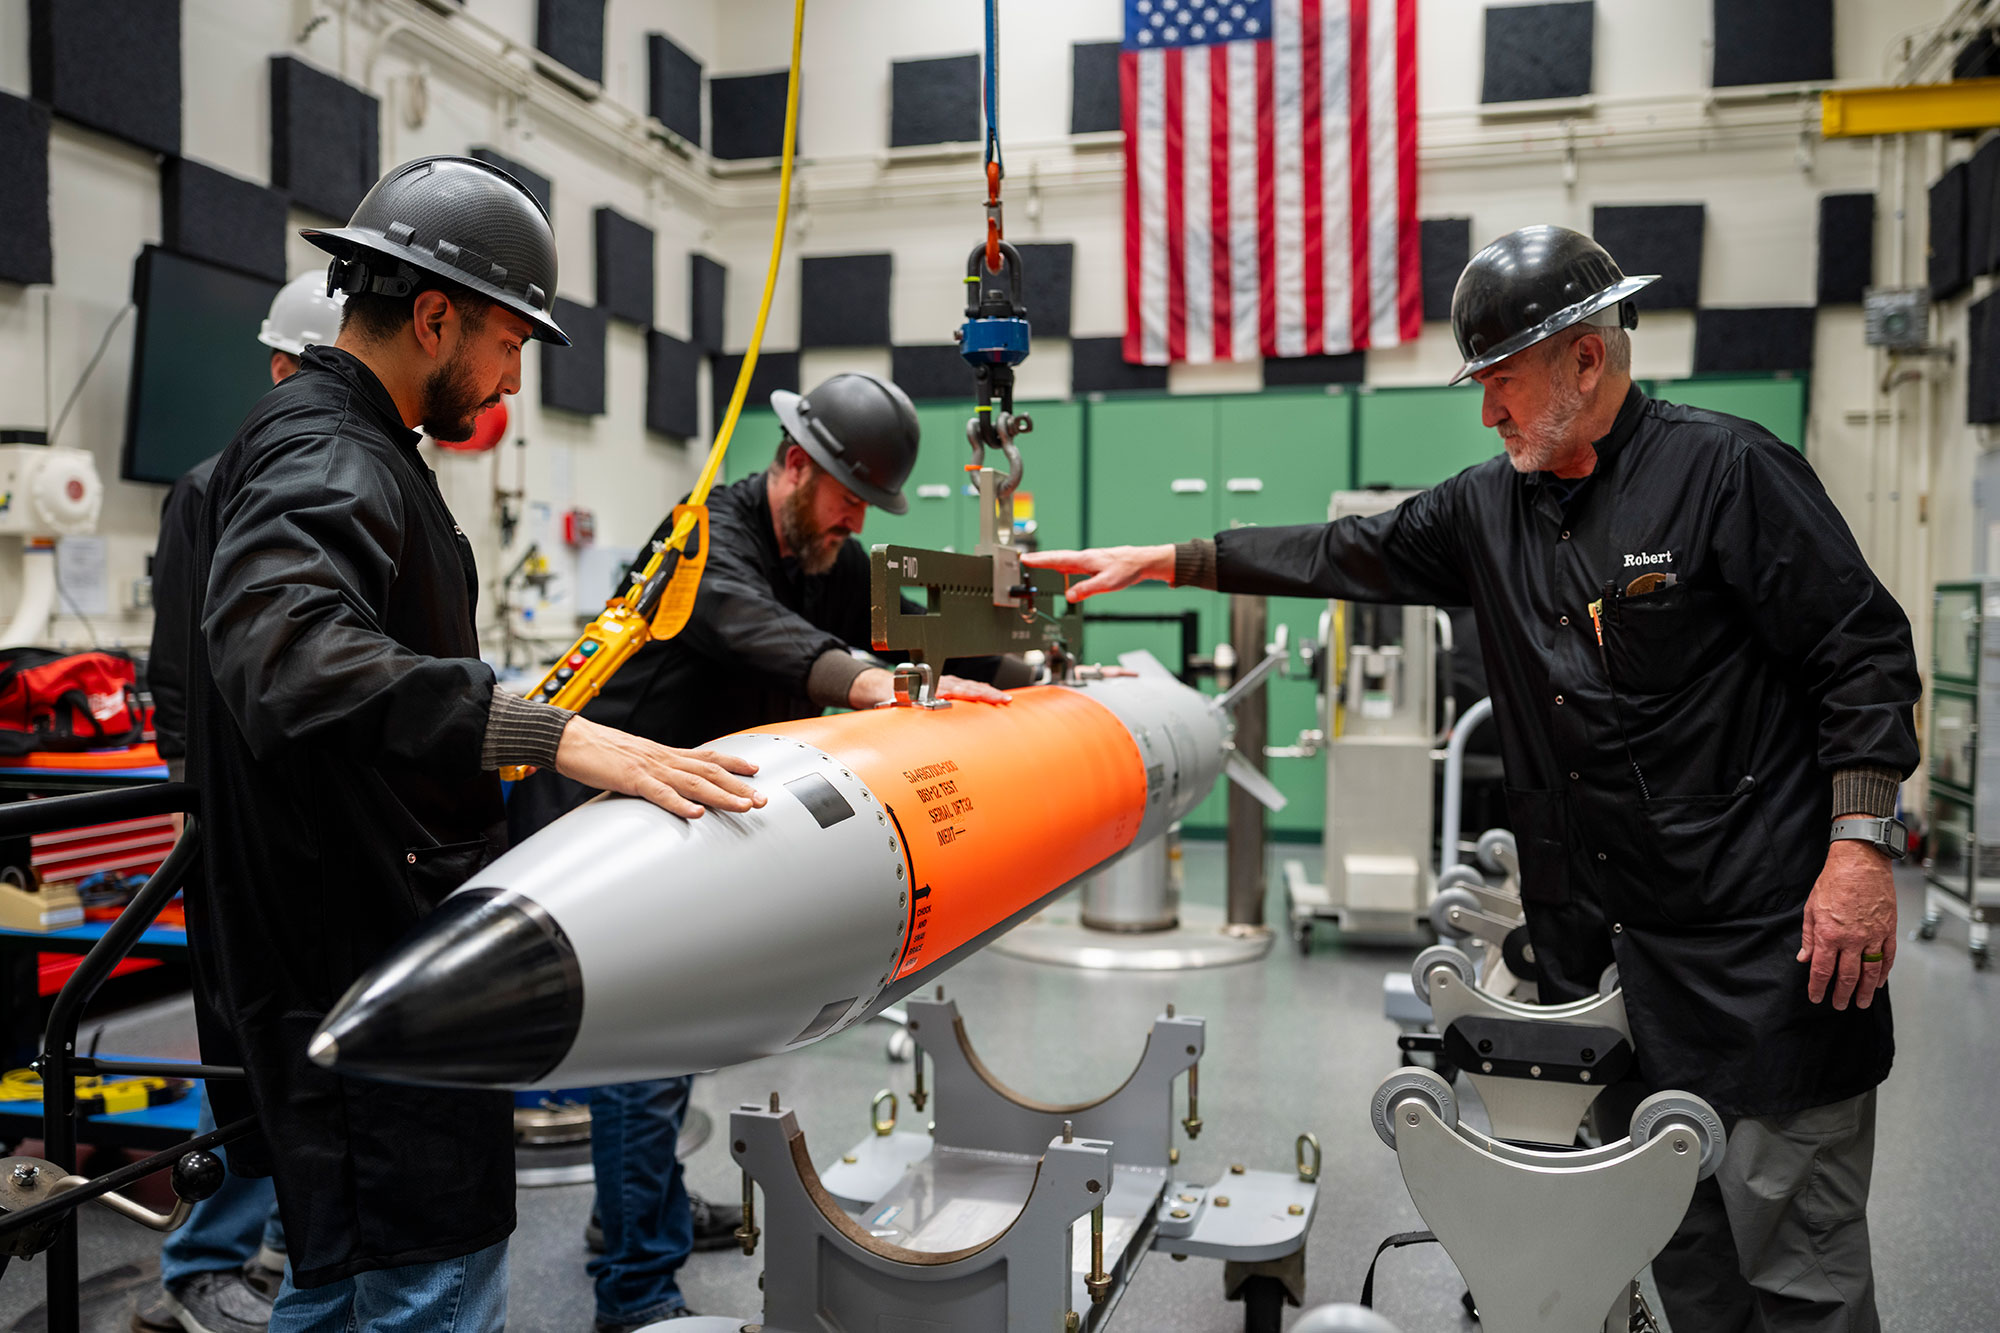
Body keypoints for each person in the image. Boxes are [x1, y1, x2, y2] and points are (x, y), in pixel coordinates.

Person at [1026, 225, 1919, 1333]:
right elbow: (1338, 552)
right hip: (1606, 970)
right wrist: (1171, 560)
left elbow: (1861, 653)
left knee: (1796, 1270)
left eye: (1501, 379)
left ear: (1584, 359)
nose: (1486, 410)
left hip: (1765, 958)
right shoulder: (1486, 508)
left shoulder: (1726, 472)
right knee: (1675, 1248)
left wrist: (1858, 847)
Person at [181, 155, 765, 1333]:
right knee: (425, 1281)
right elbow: (288, 655)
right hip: (368, 962)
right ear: (435, 316)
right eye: (507, 343)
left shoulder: (341, 441)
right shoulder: (331, 452)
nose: (510, 378)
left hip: (341, 954)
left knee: (334, 1284)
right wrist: (545, 733)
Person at [507, 370, 1023, 1331]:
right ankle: (636, 1293)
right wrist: (867, 683)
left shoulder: (831, 556)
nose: (854, 521)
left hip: (690, 811)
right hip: (606, 811)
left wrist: (1033, 673)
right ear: (795, 463)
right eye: (847, 497)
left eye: (867, 505)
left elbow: (915, 622)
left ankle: (639, 1217)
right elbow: (746, 621)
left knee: (677, 1044)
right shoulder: (704, 533)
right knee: (647, 1061)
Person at [136, 271, 344, 1333]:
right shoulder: (209, 488)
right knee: (245, 1044)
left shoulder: (355, 476)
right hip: (233, 808)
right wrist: (190, 796)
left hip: (314, 819)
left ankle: (273, 1247)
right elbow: (179, 662)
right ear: (278, 369)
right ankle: (195, 1268)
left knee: (305, 1048)